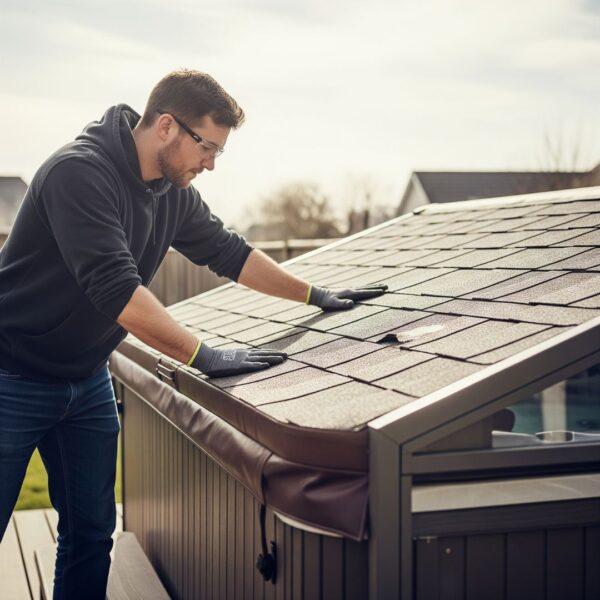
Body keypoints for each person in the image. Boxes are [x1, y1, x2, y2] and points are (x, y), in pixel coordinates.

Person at [0, 69, 386, 599]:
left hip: (84, 381)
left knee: (90, 535)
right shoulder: (78, 174)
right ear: (165, 126)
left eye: (218, 153)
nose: (210, 163)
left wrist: (314, 294)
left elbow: (229, 252)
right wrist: (203, 355)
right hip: (11, 378)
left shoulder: (168, 190)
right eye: (208, 147)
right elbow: (116, 291)